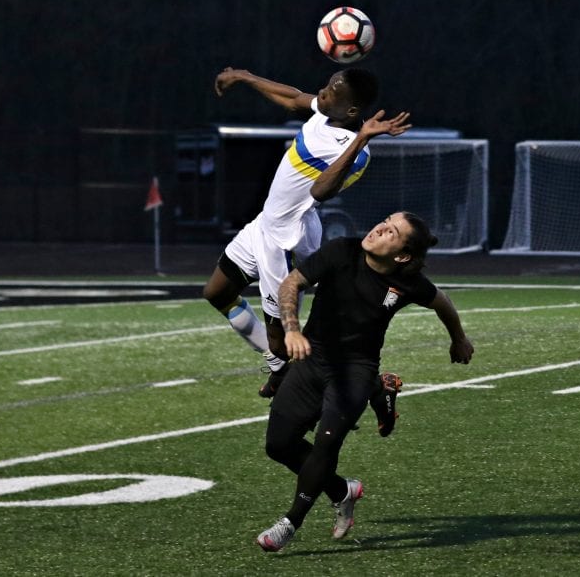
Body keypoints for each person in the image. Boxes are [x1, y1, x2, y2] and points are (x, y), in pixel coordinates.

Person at [255, 211, 474, 552]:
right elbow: (291, 283)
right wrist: (292, 329)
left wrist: (458, 339)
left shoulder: (408, 281)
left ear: (402, 255)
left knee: (327, 444)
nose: (381, 227)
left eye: (393, 231)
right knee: (278, 445)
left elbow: (441, 302)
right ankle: (343, 490)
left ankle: (290, 523)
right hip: (312, 358)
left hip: (355, 369)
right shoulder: (342, 250)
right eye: (386, 221)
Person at [202, 67, 412, 397]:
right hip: (264, 224)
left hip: (287, 241)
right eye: (326, 85)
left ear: (352, 111)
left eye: (331, 91)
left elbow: (321, 192)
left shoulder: (357, 153)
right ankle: (280, 370)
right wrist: (244, 77)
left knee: (283, 341)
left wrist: (360, 140)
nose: (322, 92)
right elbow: (293, 98)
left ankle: (369, 387)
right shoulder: (326, 113)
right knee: (217, 292)